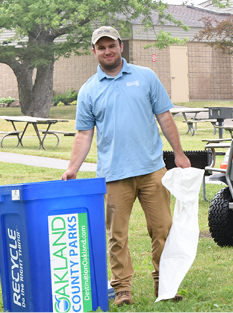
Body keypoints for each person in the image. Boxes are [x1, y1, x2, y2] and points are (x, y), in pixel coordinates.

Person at [61, 26, 191, 306]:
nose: (107, 51)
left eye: (112, 45)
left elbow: (164, 117)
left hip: (152, 169)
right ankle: (122, 289)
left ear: (121, 46)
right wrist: (72, 168)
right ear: (94, 51)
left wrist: (178, 153)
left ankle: (164, 285)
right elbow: (84, 134)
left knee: (163, 228)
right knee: (117, 236)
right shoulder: (88, 90)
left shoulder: (146, 77)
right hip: (114, 175)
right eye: (101, 47)